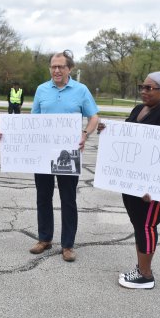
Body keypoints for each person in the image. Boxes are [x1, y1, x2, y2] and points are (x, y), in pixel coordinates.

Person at [99, 71, 160, 289]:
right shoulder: (138, 109)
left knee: (147, 225)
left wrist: (152, 186)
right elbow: (126, 137)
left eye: (149, 88)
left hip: (151, 189)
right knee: (138, 224)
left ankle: (146, 275)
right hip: (133, 184)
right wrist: (107, 131)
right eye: (142, 87)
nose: (144, 91)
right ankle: (140, 267)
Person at [30, 50, 99, 262]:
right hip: (43, 153)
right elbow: (32, 122)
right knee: (43, 197)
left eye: (61, 66)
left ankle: (68, 245)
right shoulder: (42, 90)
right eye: (53, 66)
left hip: (68, 154)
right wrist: (9, 135)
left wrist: (85, 134)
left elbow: (94, 117)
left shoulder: (81, 90)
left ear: (70, 69)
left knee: (68, 200)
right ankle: (44, 239)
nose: (56, 70)